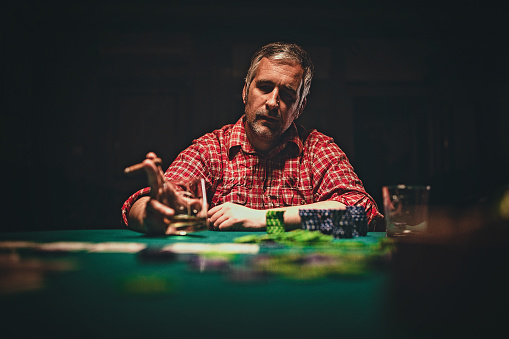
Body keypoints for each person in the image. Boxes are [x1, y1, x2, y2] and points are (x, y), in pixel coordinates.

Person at [122, 42, 383, 235]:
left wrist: (265, 219)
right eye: (265, 87)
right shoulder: (210, 148)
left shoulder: (319, 149)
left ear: (299, 108)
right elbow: (145, 202)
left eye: (288, 95)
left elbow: (359, 213)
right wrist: (150, 214)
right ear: (246, 92)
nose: (273, 102)